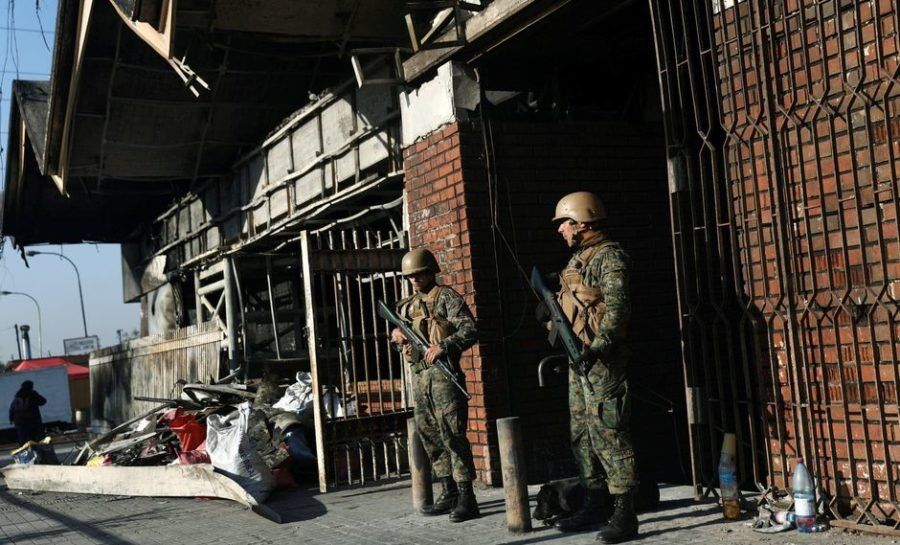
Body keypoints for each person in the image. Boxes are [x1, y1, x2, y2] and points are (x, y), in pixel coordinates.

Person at [547, 191, 639, 543]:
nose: (560, 231)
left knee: (610, 432)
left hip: (602, 362)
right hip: (577, 360)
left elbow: (617, 313)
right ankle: (595, 500)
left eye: (564, 223)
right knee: (582, 434)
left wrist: (597, 348)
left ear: (582, 221)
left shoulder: (609, 257)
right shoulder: (575, 262)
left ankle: (624, 512)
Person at [390, 248, 479, 522]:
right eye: (410, 277)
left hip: (444, 377)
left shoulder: (446, 297)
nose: (415, 280)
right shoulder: (406, 306)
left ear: (431, 272)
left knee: (453, 435)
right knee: (431, 436)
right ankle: (448, 490)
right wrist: (397, 337)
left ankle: (467, 496)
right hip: (420, 378)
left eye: (419, 274)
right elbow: (399, 341)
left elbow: (470, 329)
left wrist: (445, 345)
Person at [9, 380, 47, 446]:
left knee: (23, 440)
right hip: (33, 421)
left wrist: (11, 419)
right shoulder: (32, 394)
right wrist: (35, 394)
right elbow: (43, 401)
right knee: (34, 439)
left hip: (20, 422)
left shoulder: (18, 396)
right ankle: (36, 452)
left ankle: (25, 453)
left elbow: (12, 409)